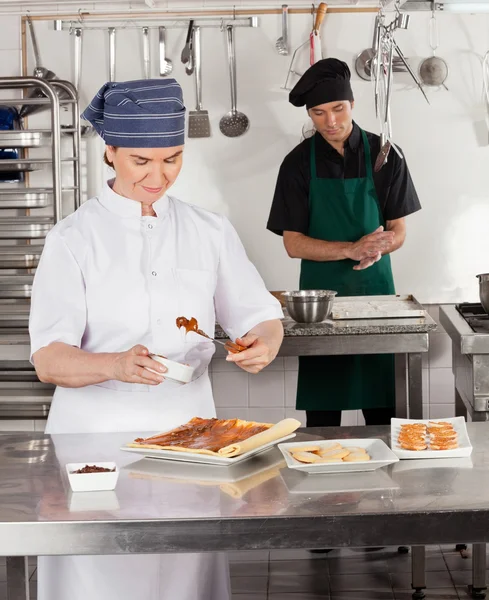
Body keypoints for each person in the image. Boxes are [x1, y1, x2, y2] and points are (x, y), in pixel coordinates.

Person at [29, 78, 284, 600]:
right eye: (142, 161)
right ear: (112, 152)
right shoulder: (73, 239)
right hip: (94, 443)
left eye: (171, 159)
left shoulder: (208, 230)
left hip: (191, 441)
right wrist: (114, 365)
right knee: (98, 581)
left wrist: (262, 342)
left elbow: (258, 316)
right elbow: (49, 360)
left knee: (184, 574)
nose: (158, 175)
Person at [267, 58, 421, 429]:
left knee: (384, 409)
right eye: (318, 113)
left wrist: (378, 248)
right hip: (319, 305)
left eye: (338, 109)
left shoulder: (386, 155)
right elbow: (294, 244)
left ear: (352, 104)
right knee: (323, 413)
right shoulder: (297, 164)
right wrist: (351, 249)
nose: (330, 121)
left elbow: (397, 231)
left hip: (377, 298)